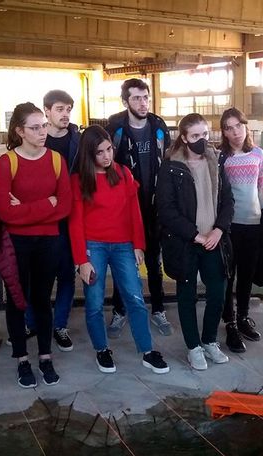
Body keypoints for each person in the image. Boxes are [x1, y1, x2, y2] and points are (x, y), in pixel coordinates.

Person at [69, 126, 170, 374]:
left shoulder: (123, 173)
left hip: (124, 245)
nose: (107, 156)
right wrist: (82, 260)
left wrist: (138, 244)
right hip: (94, 247)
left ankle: (147, 351)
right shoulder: (79, 180)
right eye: (100, 152)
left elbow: (134, 212)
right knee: (94, 303)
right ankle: (102, 350)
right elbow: (75, 222)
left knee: (135, 299)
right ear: (87, 154)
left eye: (109, 150)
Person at [0, 102, 71, 389]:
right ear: (20, 131)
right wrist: (45, 205)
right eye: (35, 128)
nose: (42, 132)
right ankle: (22, 358)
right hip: (17, 242)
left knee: (41, 299)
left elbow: (65, 206)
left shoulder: (55, 160)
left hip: (48, 241)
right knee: (17, 299)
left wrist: (26, 208)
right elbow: (4, 212)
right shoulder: (7, 162)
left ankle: (45, 356)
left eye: (44, 126)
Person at [157, 113, 234, 371]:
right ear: (184, 138)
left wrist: (219, 230)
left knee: (217, 293)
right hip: (186, 242)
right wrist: (195, 234)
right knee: (186, 295)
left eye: (204, 134)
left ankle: (210, 340)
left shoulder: (216, 161)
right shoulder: (171, 166)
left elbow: (227, 201)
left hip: (213, 241)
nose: (202, 140)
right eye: (195, 136)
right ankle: (194, 347)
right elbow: (166, 210)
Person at [105, 78, 174, 338]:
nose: (143, 103)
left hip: (154, 207)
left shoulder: (158, 126)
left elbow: (167, 162)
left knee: (154, 262)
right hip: (124, 207)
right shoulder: (115, 128)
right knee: (124, 261)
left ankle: (158, 308)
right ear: (125, 101)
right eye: (136, 98)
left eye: (145, 97)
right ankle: (120, 311)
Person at [22, 90, 81, 352]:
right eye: (59, 108)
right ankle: (33, 322)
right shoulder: (35, 141)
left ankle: (60, 325)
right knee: (36, 274)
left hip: (69, 219)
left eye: (68, 108)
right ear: (46, 111)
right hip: (40, 219)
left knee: (67, 274)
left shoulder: (78, 143)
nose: (65, 113)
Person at [217, 108, 263, 354]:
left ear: (246, 126)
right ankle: (230, 324)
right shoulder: (221, 158)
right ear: (223, 132)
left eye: (238, 125)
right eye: (228, 128)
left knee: (246, 275)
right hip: (229, 227)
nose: (235, 132)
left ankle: (243, 317)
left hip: (253, 225)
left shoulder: (258, 154)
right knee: (228, 276)